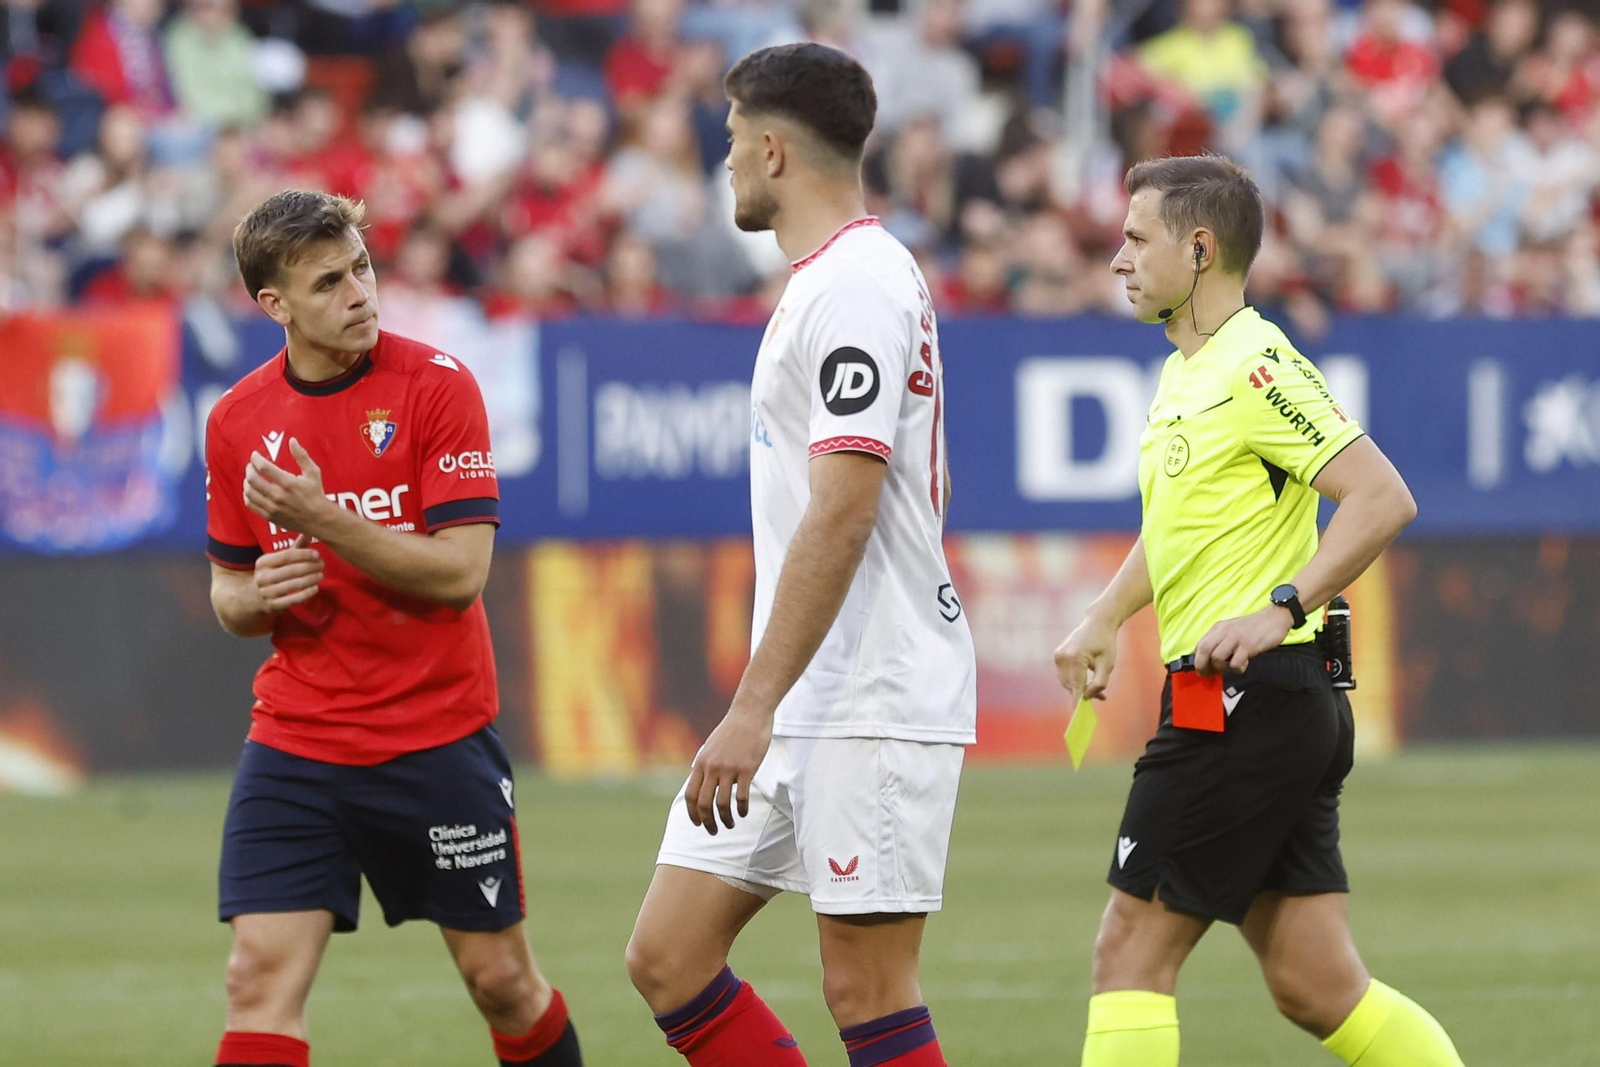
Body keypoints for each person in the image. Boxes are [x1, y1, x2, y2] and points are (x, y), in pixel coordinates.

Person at [1052, 154, 1466, 1067]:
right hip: (1278, 701)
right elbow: (1179, 528)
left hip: (1246, 697)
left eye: (1135, 239)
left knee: (1128, 952)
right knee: (1317, 983)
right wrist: (1108, 614)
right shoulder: (1186, 371)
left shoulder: (1257, 366)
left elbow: (1381, 496)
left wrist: (1282, 607)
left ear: (1199, 249)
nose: (1117, 259)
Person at [624, 43, 974, 1067]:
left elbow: (843, 512)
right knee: (668, 955)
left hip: (869, 685)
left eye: (731, 140)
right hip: (804, 693)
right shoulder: (829, 281)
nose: (724, 161)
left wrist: (750, 703)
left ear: (773, 149)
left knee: (865, 985)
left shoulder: (858, 284)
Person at [203, 190, 581, 1067]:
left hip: (434, 735)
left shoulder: (437, 386)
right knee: (256, 977)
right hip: (298, 738)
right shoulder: (236, 422)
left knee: (501, 981)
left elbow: (459, 576)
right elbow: (227, 595)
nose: (360, 294)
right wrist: (263, 593)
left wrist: (324, 519)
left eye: (362, 269)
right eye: (330, 282)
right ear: (275, 305)